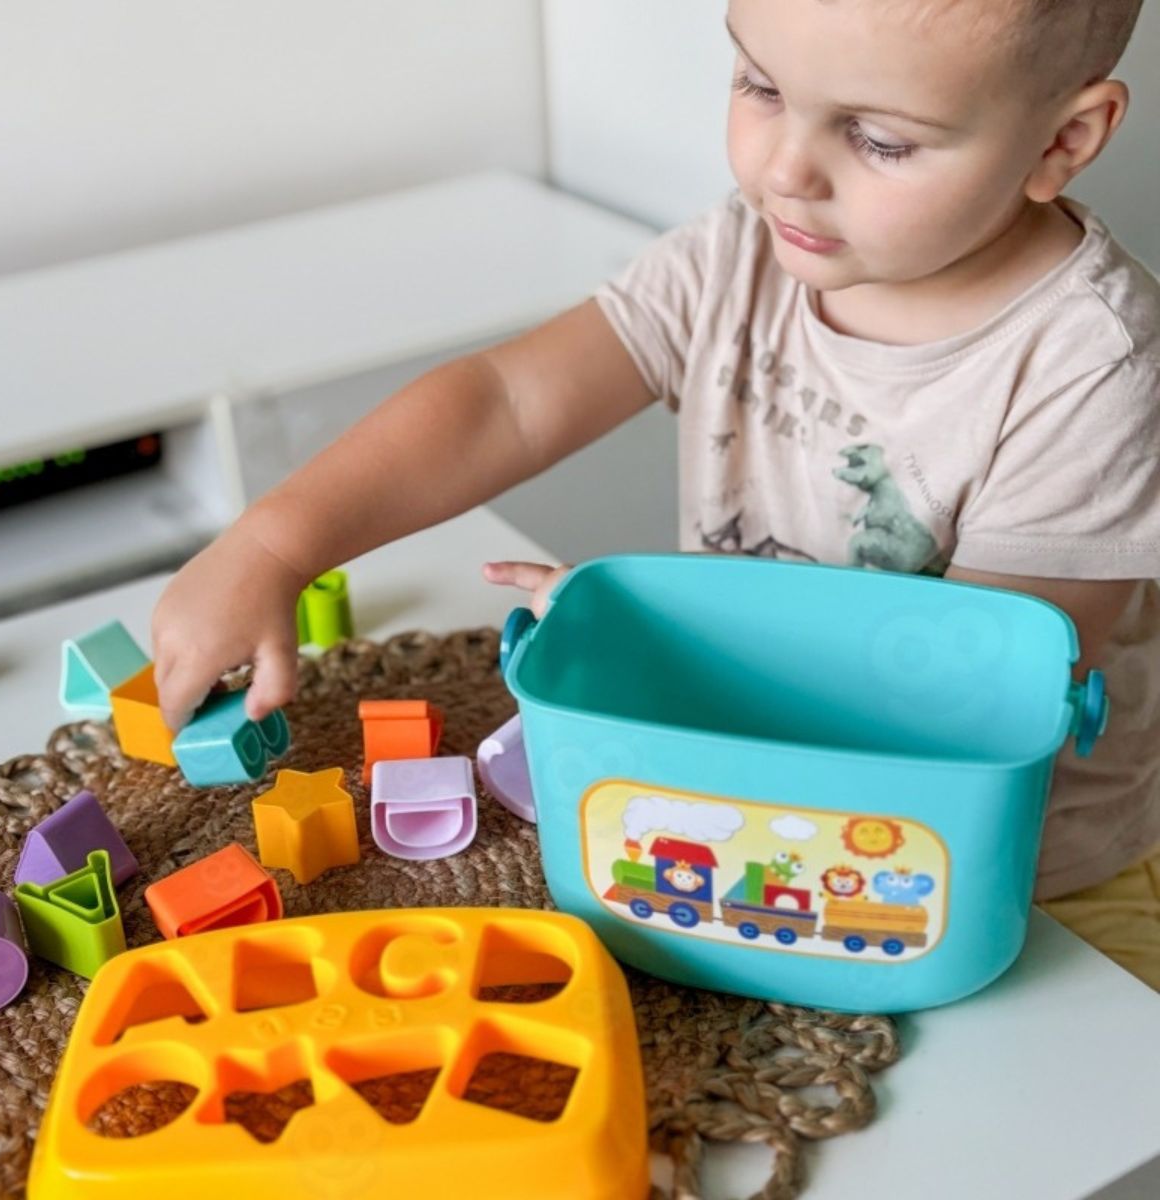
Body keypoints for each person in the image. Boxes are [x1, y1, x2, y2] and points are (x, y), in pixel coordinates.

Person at [152, 0, 1160, 987]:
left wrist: (655, 621)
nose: (785, 171)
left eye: (881, 140)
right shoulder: (743, 250)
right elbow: (507, 401)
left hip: (1012, 888)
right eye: (761, 85)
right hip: (733, 812)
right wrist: (275, 543)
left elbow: (966, 691)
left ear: (1062, 141)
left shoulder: (1094, 365)